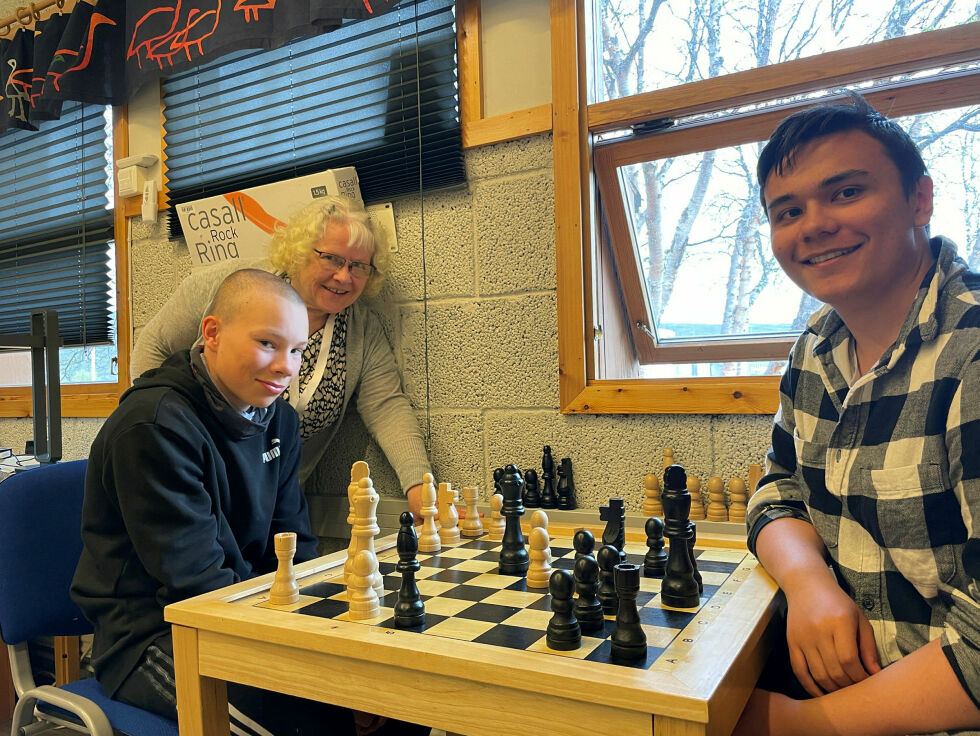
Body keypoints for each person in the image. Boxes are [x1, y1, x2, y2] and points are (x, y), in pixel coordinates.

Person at [72, 270, 427, 735]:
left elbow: (294, 546)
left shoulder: (278, 419)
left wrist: (330, 649)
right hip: (153, 635)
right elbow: (197, 584)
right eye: (268, 344)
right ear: (212, 333)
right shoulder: (154, 427)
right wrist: (309, 677)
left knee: (400, 705)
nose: (286, 366)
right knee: (313, 723)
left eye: (298, 350)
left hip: (247, 613)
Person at [736, 93, 980, 736]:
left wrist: (791, 726)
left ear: (920, 199)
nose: (812, 225)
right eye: (787, 211)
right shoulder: (815, 346)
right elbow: (777, 489)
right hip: (837, 693)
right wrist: (809, 581)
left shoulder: (972, 354)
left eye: (844, 193)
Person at [131, 196, 431, 519]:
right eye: (331, 258)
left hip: (272, 506)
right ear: (300, 253)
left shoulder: (362, 329)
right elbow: (154, 346)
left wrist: (422, 492)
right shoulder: (236, 284)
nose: (345, 276)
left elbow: (388, 408)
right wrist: (162, 438)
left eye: (358, 266)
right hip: (193, 484)